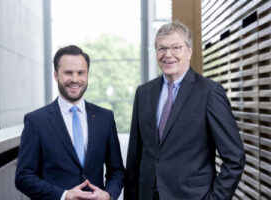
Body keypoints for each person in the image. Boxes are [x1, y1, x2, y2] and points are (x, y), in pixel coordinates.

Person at [124, 21, 245, 200]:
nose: (168, 54)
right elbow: (135, 157)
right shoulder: (144, 93)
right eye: (161, 48)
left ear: (189, 51)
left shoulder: (209, 92)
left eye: (176, 47)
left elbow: (235, 158)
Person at [15, 45, 125, 200]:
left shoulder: (105, 118)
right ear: (55, 75)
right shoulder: (36, 121)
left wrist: (108, 194)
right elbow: (23, 177)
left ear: (87, 75)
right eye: (68, 73)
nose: (75, 79)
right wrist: (64, 195)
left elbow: (117, 171)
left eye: (81, 73)